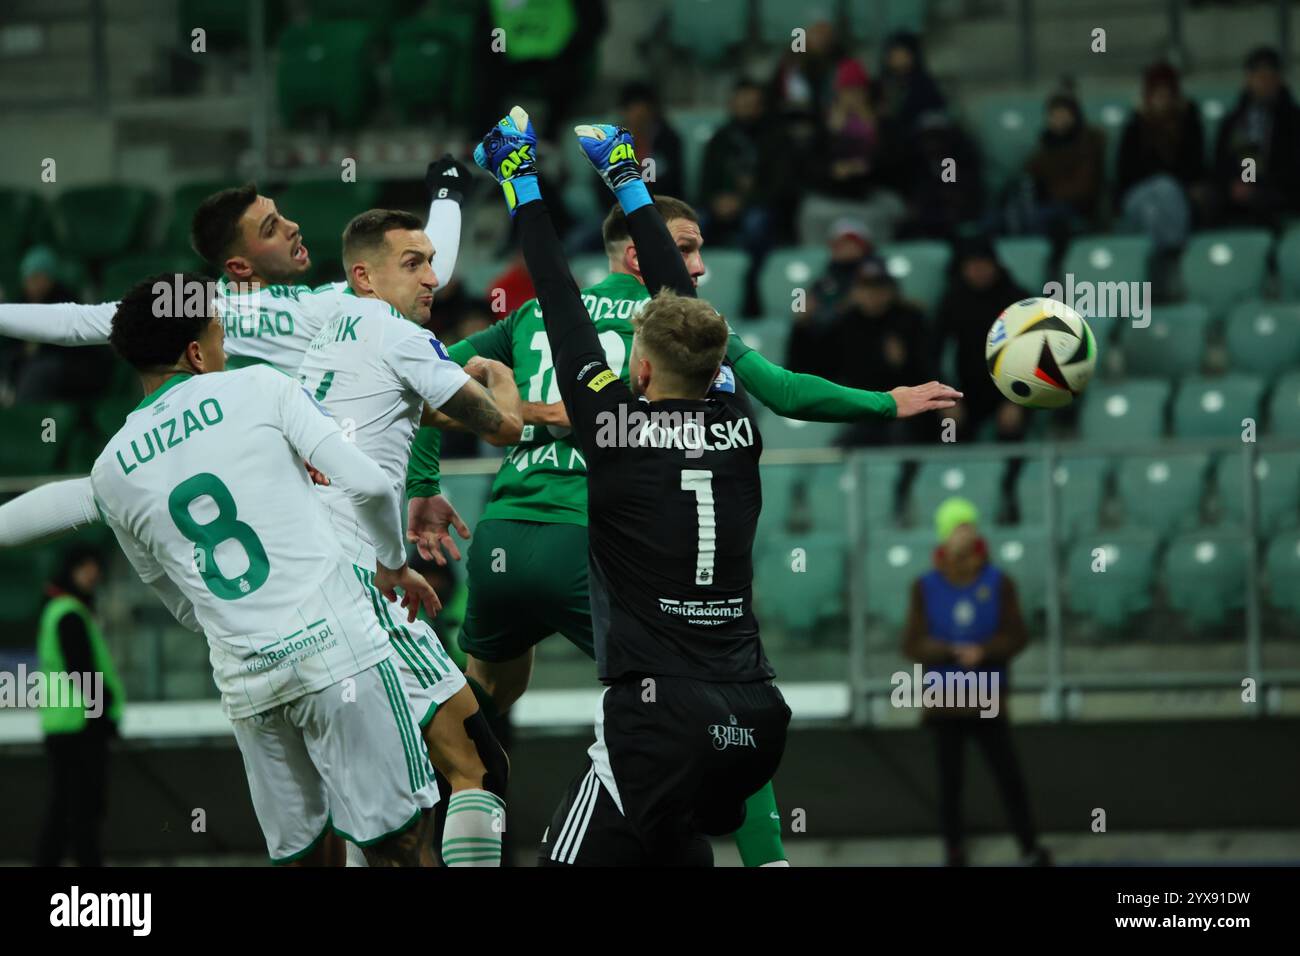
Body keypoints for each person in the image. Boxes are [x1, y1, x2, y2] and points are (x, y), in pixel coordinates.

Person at [410, 187, 957, 865]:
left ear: (640, 371)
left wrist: (426, 484)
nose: (697, 266)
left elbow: (438, 363)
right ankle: (769, 861)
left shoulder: (560, 351)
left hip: (512, 548)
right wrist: (887, 401)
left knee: (480, 723)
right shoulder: (727, 406)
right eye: (686, 250)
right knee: (698, 726)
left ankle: (413, 816)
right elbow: (784, 390)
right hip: (619, 579)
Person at [476, 107, 792, 866]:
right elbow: (689, 305)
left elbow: (558, 294)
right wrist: (628, 179)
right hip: (756, 713)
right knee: (679, 850)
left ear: (639, 369)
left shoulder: (615, 432)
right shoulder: (738, 422)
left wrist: (523, 182)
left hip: (661, 716)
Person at [91, 275, 443, 865]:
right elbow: (370, 485)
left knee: (306, 857)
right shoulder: (259, 386)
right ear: (195, 353)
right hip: (338, 652)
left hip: (248, 682)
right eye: (218, 334)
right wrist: (392, 565)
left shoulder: (109, 470)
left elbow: (178, 599)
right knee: (403, 841)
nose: (226, 346)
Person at [299, 208, 522, 866]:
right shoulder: (400, 335)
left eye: (431, 261)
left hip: (300, 584)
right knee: (478, 767)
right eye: (414, 264)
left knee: (368, 798)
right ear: (365, 276)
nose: (432, 278)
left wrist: (423, 484)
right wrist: (501, 383)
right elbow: (502, 427)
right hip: (359, 581)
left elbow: (408, 410)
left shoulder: (330, 329)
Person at [902, 497, 1050, 867]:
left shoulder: (1000, 582)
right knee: (950, 785)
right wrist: (949, 650)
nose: (965, 533)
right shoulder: (924, 586)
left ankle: (1029, 848)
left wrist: (984, 651)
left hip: (987, 699)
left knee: (1009, 778)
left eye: (969, 525)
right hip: (945, 701)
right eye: (958, 527)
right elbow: (912, 643)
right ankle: (954, 852)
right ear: (944, 535)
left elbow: (1017, 635)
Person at [35, 547, 124, 867]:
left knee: (64, 810)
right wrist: (101, 712)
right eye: (86, 567)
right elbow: (81, 669)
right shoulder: (71, 613)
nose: (92, 575)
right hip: (80, 724)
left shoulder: (57, 610)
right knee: (84, 810)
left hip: (64, 722)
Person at [788, 255, 935, 445]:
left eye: (878, 288)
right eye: (865, 288)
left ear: (891, 290)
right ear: (855, 292)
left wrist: (902, 364)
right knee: (841, 446)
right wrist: (801, 327)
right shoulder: (845, 323)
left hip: (905, 407)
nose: (872, 295)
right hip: (861, 408)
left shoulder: (911, 319)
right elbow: (811, 369)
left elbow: (929, 370)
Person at [933, 235, 1029, 443]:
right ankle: (953, 463)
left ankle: (1013, 465)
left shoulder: (1018, 300)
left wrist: (1018, 400)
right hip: (967, 389)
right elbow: (932, 351)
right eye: (972, 265)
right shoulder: (953, 300)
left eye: (984, 264)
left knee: (1012, 429)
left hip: (1013, 387)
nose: (978, 271)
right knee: (949, 430)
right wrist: (944, 396)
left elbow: (1035, 354)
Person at [1116, 63, 1205, 253]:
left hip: (1176, 193)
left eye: (1167, 94)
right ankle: (1175, 249)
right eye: (1157, 94)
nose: (1162, 99)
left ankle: (1156, 258)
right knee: (1162, 189)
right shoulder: (1135, 126)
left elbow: (1194, 165)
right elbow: (1126, 171)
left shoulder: (1188, 124)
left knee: (1153, 210)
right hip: (1140, 193)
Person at [1212, 46, 1300, 227]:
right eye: (1259, 78)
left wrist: (1258, 185)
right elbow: (1221, 163)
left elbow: (1292, 165)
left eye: (1269, 78)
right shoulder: (1235, 120)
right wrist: (1235, 184)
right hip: (1238, 191)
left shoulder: (1292, 119)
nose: (1264, 84)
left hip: (1280, 191)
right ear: (1248, 80)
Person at [1012, 93, 1105, 245]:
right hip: (1048, 206)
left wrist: (1048, 193)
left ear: (1074, 117)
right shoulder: (1046, 146)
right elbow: (1029, 172)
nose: (1058, 121)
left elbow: (1083, 189)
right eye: (1054, 116)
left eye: (1063, 115)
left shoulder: (1088, 145)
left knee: (1039, 218)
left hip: (1076, 210)